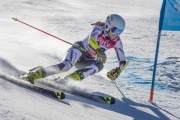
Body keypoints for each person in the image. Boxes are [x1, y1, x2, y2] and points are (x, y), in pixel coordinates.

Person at [21, 14, 128, 83]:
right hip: (79, 50)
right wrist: (99, 51)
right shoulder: (98, 28)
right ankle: (35, 74)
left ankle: (65, 81)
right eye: (115, 31)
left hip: (87, 60)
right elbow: (92, 40)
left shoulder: (117, 41)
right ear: (108, 26)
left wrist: (118, 70)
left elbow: (123, 60)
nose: (117, 34)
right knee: (66, 66)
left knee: (99, 65)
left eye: (120, 32)